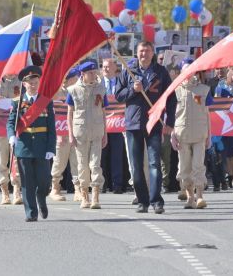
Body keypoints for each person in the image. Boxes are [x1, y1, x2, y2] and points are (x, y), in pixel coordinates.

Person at [115, 41, 177, 214]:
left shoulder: (161, 72)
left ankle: (156, 200)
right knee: (136, 166)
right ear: (137, 53)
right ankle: (142, 200)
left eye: (147, 51)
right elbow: (118, 95)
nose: (144, 54)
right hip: (133, 124)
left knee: (154, 163)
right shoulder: (129, 71)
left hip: (154, 123)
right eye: (141, 51)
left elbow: (171, 99)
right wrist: (133, 90)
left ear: (152, 53)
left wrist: (170, 123)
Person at [7, 66, 56, 222]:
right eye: (30, 83)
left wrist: (51, 148)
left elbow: (51, 127)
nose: (33, 86)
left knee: (44, 181)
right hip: (24, 146)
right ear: (24, 84)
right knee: (27, 182)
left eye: (36, 82)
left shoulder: (45, 102)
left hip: (42, 147)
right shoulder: (17, 102)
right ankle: (31, 212)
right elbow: (10, 122)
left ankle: (41, 198)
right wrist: (11, 136)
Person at [67, 61, 108, 209]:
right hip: (80, 133)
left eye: (94, 72)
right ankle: (85, 196)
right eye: (90, 72)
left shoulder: (101, 89)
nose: (93, 74)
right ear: (82, 74)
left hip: (97, 132)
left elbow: (104, 112)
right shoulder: (73, 90)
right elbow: (69, 114)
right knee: (82, 165)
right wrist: (70, 134)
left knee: (95, 165)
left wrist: (106, 133)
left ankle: (96, 196)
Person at [172, 63, 212, 209]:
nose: (189, 73)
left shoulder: (204, 90)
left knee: (198, 166)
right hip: (182, 134)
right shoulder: (175, 90)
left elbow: (207, 114)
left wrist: (210, 135)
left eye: (191, 70)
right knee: (184, 167)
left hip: (199, 133)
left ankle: (200, 195)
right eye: (185, 71)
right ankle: (190, 197)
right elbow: (171, 115)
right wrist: (172, 135)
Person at [0, 73, 24, 205]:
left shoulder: (21, 81)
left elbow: (25, 102)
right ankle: (5, 191)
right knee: (1, 160)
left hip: (16, 127)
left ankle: (17, 190)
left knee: (16, 160)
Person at [48, 68, 81, 202]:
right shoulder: (56, 93)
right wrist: (58, 133)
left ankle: (78, 189)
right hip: (61, 133)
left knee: (77, 161)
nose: (78, 79)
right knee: (59, 161)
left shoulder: (77, 91)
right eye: (75, 77)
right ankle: (55, 188)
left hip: (77, 131)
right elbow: (55, 114)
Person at [100, 58, 126, 194]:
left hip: (117, 125)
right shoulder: (98, 84)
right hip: (101, 125)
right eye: (103, 67)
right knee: (101, 156)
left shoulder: (121, 83)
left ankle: (117, 185)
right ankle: (102, 184)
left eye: (108, 66)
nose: (105, 69)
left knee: (117, 156)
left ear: (115, 68)